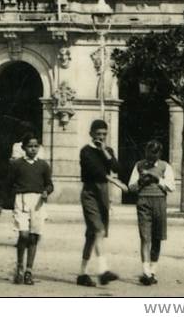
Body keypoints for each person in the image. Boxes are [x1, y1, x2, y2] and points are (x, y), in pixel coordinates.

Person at [77, 119, 125, 287]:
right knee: (98, 230)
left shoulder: (108, 150)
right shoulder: (85, 151)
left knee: (93, 235)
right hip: (90, 192)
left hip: (103, 193)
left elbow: (117, 167)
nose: (101, 137)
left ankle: (82, 273)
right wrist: (113, 180)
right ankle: (103, 270)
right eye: (98, 134)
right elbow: (94, 170)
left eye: (104, 134)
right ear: (91, 134)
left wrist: (105, 152)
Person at [128, 140, 176, 285]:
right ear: (146, 152)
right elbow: (131, 187)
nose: (150, 159)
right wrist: (141, 181)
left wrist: (157, 178)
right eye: (148, 155)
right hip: (143, 202)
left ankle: (152, 270)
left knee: (157, 237)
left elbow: (171, 187)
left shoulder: (165, 166)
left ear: (159, 154)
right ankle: (145, 272)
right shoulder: (139, 165)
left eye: (154, 156)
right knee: (145, 237)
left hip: (159, 202)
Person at [9, 133, 53, 285]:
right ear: (23, 148)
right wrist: (3, 203)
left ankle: (29, 270)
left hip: (38, 201)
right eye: (30, 146)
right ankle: (19, 266)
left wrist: (47, 191)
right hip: (21, 199)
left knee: (34, 236)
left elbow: (49, 184)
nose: (33, 149)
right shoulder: (17, 165)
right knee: (24, 235)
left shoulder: (43, 165)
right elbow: (9, 183)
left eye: (36, 146)